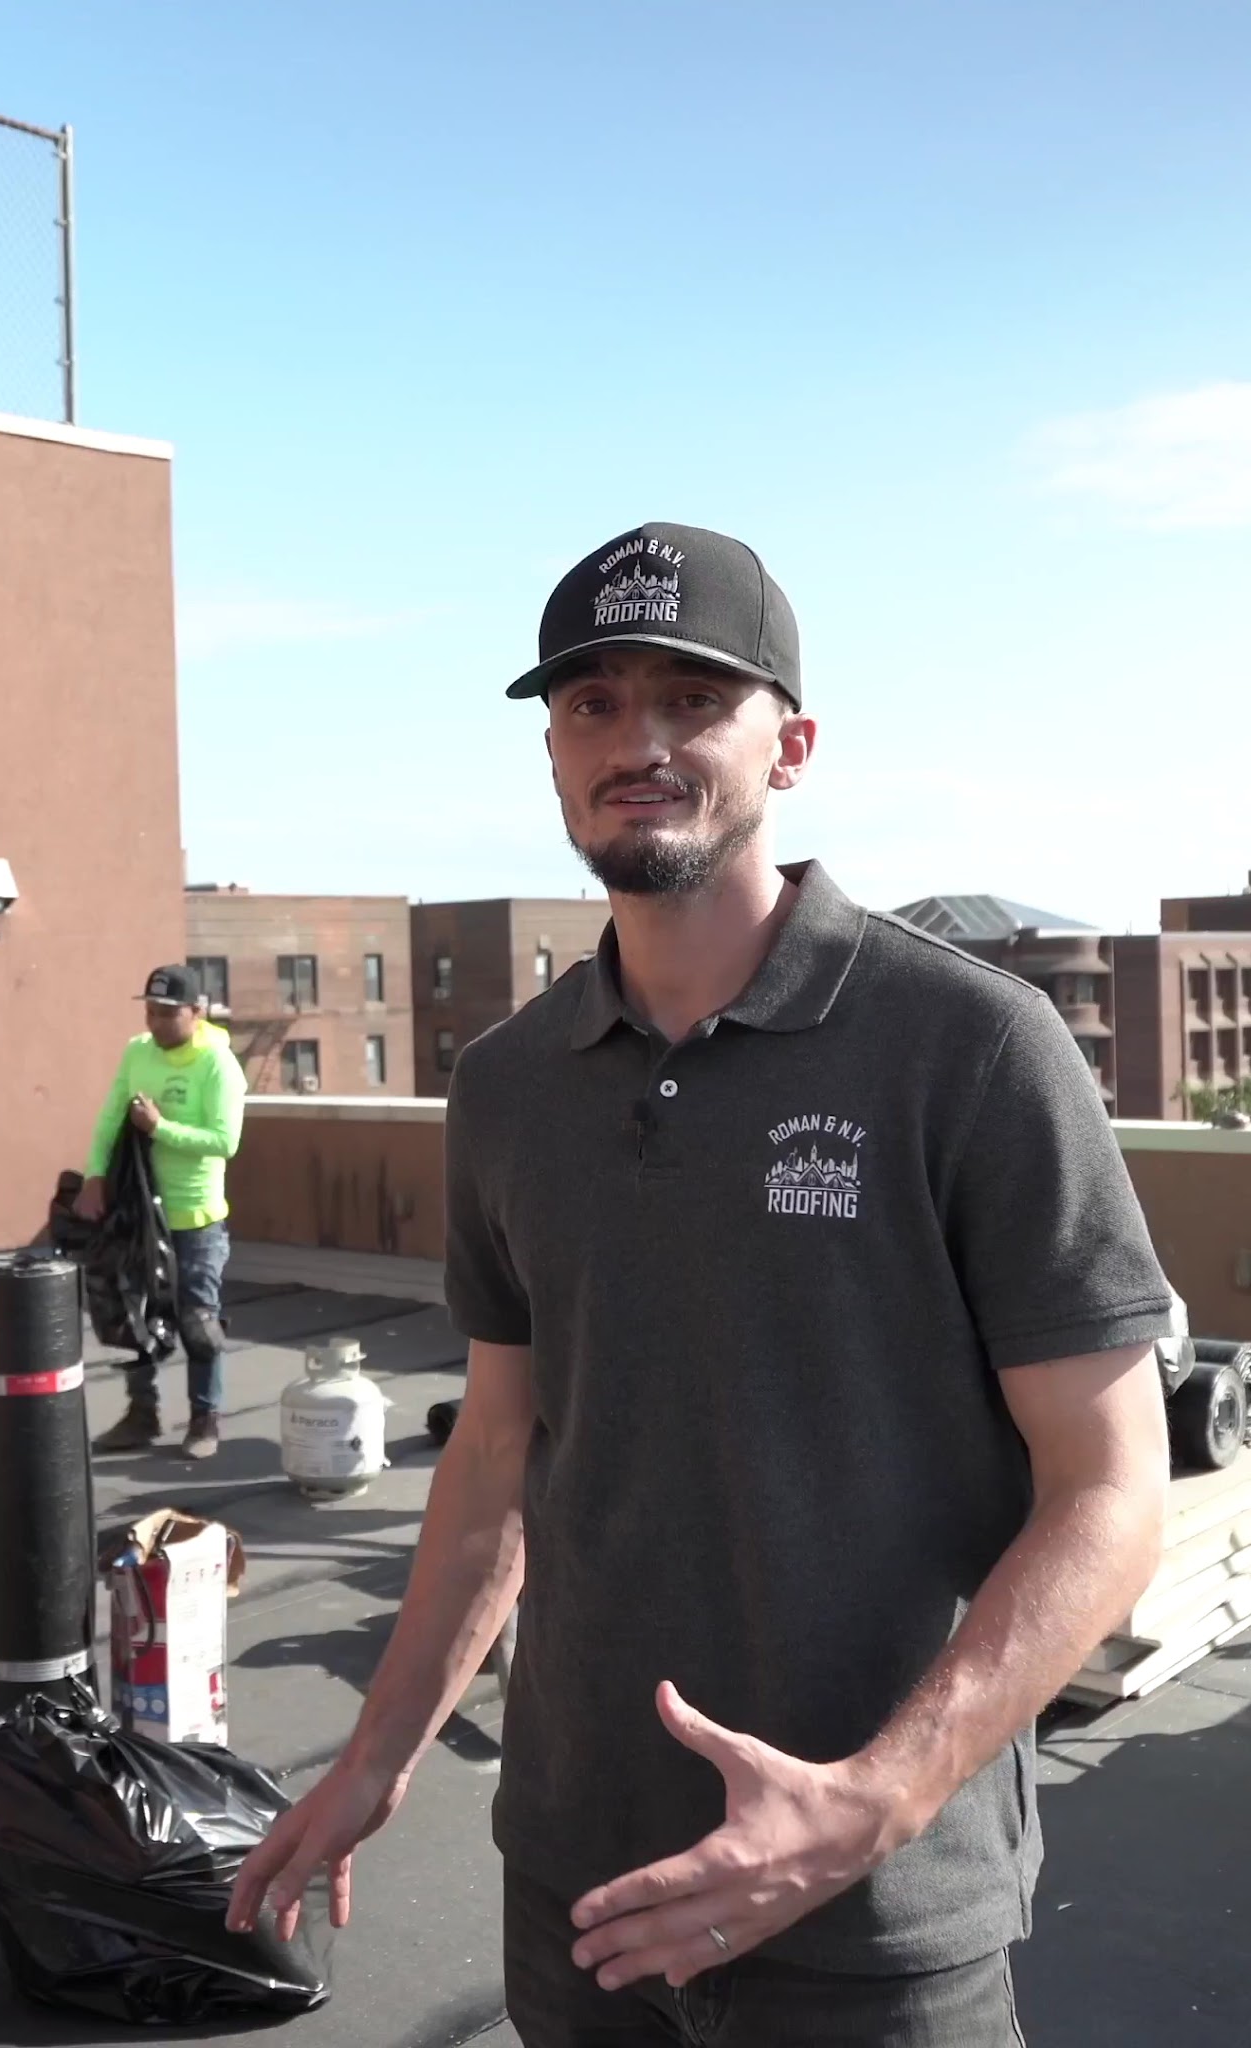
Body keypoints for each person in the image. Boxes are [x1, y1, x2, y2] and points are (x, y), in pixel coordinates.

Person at [228, 522, 1174, 2046]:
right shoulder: (512, 1086)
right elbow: (497, 1455)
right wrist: (376, 1756)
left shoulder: (970, 1046)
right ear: (553, 753)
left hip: (870, 1906)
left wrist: (878, 1799)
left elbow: (1112, 1486)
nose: (639, 742)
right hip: (578, 1879)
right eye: (592, 704)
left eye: (693, 698)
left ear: (790, 745)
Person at [78, 964, 248, 1459]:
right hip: (140, 1214)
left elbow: (226, 1141)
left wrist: (159, 1128)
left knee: (198, 1321)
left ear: (196, 1012)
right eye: (151, 1011)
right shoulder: (137, 1051)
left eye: (168, 1013)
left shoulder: (218, 1064)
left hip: (196, 1219)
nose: (155, 1022)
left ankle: (204, 1420)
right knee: (134, 1314)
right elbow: (110, 1116)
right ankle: (141, 1414)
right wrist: (94, 1176)